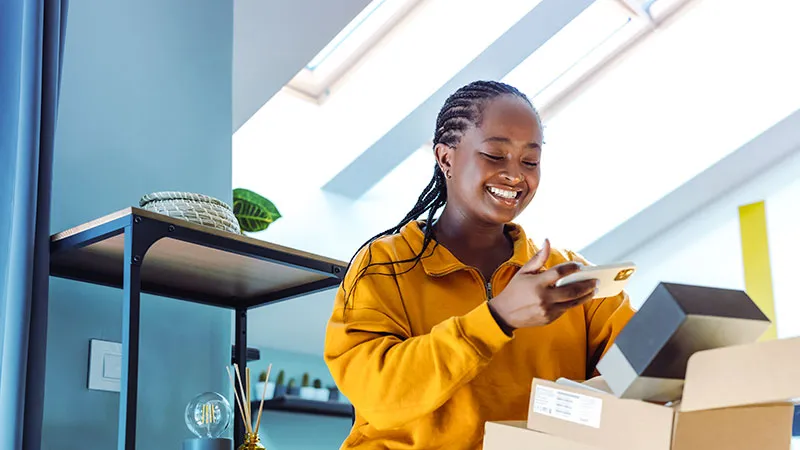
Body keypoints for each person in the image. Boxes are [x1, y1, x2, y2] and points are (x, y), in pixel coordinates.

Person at [323, 80, 635, 449]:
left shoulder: (571, 276)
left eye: (530, 161)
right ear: (446, 158)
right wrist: (497, 318)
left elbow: (639, 376)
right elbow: (379, 396)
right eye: (495, 155)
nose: (516, 175)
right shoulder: (384, 265)